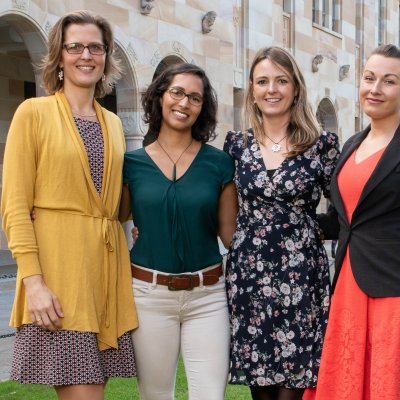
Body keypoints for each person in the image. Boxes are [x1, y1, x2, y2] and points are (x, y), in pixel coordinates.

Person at [1, 10, 138, 400]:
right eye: (74, 46)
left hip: (105, 279)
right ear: (59, 57)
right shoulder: (34, 112)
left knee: (95, 390)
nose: (86, 55)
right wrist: (34, 281)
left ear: (106, 56)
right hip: (59, 279)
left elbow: (114, 202)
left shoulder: (111, 122)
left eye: (96, 47)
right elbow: (14, 206)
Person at [223, 46, 340, 400]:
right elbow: (223, 213)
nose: (271, 89)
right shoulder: (236, 146)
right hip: (250, 279)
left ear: (295, 88)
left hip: (302, 276)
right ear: (253, 91)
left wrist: (309, 229)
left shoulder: (322, 146)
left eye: (281, 80)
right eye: (262, 81)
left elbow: (345, 211)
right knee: (262, 388)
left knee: (295, 387)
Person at [119, 62, 238, 400]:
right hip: (148, 296)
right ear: (159, 97)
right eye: (177, 93)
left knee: (210, 395)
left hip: (208, 296)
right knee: (155, 395)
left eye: (195, 98)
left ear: (203, 109)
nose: (184, 103)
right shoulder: (131, 164)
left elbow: (231, 236)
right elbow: (110, 219)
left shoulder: (220, 164)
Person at [303, 44, 400, 400]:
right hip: (347, 283)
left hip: (393, 288)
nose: (375, 89)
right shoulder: (352, 145)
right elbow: (342, 220)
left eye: (389, 81)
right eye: (369, 78)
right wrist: (287, 220)